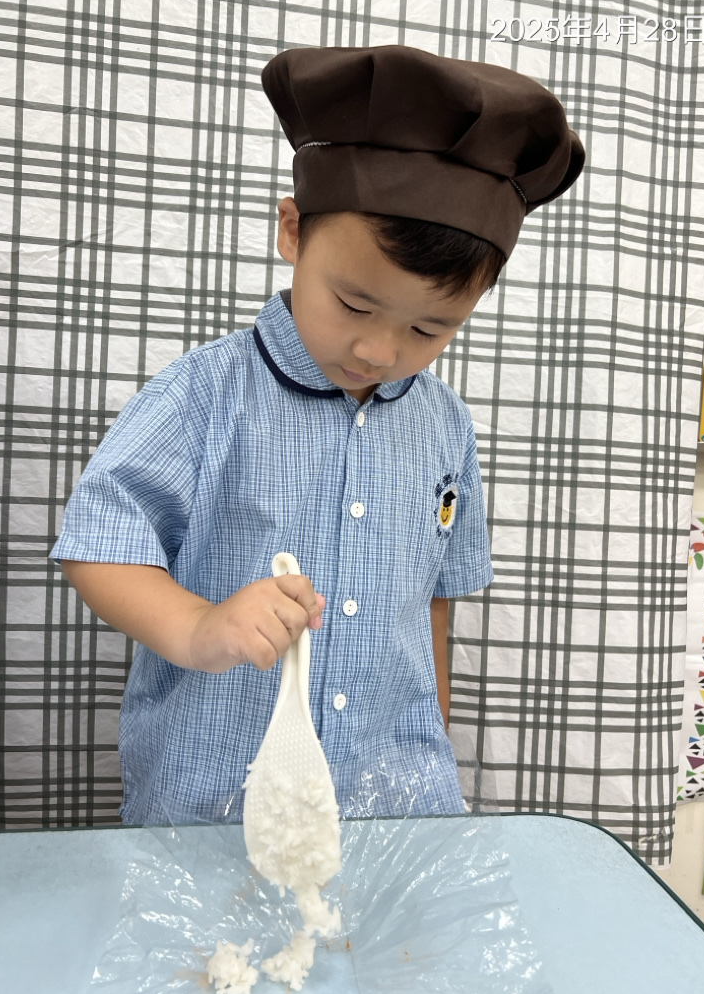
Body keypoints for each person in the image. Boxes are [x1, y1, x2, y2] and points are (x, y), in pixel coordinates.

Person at [50, 45, 585, 824]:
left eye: (430, 328)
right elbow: (99, 544)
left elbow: (433, 600)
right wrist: (200, 627)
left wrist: (432, 735)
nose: (379, 350)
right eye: (355, 304)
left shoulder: (445, 424)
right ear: (294, 231)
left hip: (395, 805)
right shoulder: (203, 395)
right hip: (217, 804)